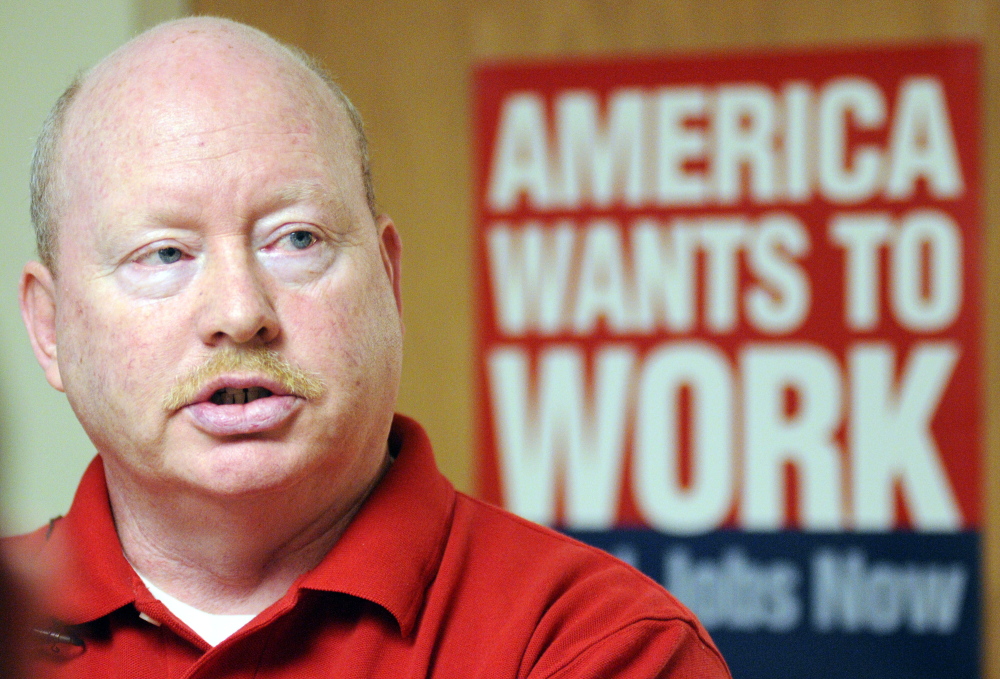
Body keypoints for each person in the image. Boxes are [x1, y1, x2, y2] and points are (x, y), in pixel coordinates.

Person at [6, 16, 730, 678]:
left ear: (388, 277)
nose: (239, 312)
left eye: (296, 240)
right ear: (49, 326)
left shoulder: (594, 641)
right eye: (164, 254)